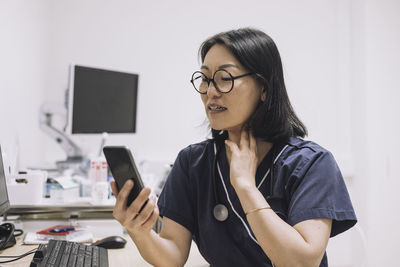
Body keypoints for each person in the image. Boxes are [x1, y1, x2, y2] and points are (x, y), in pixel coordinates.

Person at [110, 28, 357, 267]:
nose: (210, 92)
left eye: (224, 79)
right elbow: (173, 256)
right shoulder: (193, 162)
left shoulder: (312, 163)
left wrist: (245, 186)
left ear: (263, 88)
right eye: (205, 79)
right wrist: (139, 230)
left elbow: (302, 263)